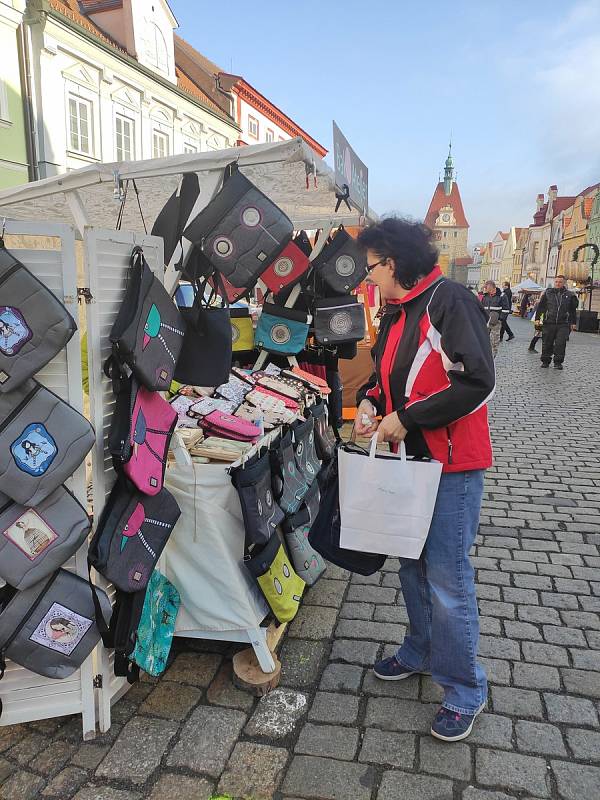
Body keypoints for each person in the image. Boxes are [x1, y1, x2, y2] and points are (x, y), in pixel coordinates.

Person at [354, 217, 495, 742]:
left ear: (393, 263)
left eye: (371, 269)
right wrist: (372, 402)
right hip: (409, 461)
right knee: (411, 567)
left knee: (448, 580)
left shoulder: (449, 301)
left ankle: (464, 688)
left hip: (451, 467)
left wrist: (408, 419)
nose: (368, 280)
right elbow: (385, 379)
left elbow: (477, 380)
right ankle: (419, 649)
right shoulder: (396, 313)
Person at [535, 275, 578, 369]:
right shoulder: (548, 293)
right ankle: (545, 361)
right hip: (549, 322)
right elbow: (541, 307)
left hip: (563, 323)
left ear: (564, 283)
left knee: (560, 343)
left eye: (560, 282)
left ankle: (558, 362)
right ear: (554, 282)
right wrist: (537, 318)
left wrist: (573, 323)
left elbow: (572, 310)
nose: (558, 284)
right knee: (547, 342)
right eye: (556, 282)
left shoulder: (570, 295)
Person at [480, 281, 509, 357]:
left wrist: (499, 319)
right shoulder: (485, 296)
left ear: (491, 287)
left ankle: (492, 358)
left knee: (494, 342)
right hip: (485, 322)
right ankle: (485, 356)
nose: (485, 288)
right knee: (483, 340)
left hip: (496, 323)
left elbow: (506, 310)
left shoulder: (502, 296)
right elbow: (482, 308)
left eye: (486, 287)